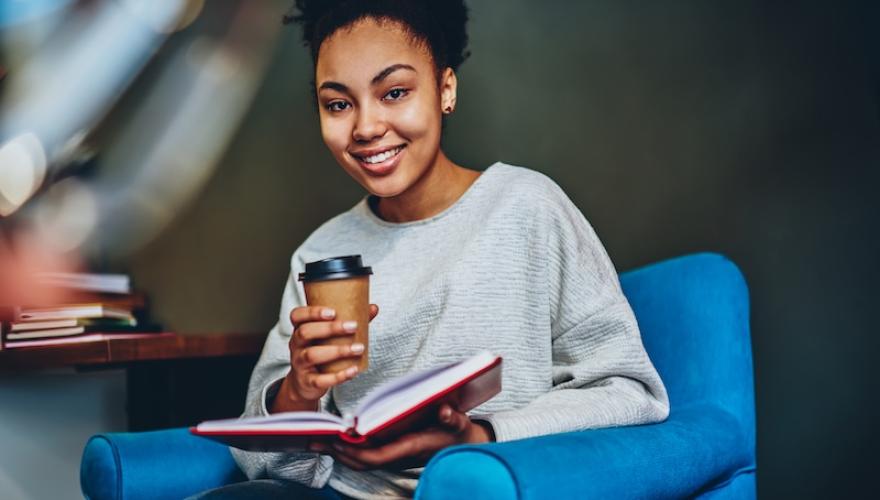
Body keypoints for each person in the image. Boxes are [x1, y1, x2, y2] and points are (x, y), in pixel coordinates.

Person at [191, 0, 669, 498]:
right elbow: (261, 461)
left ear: (445, 89)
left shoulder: (528, 208)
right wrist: (298, 391)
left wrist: (480, 438)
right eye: (338, 103)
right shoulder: (321, 254)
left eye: (394, 92)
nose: (366, 127)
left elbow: (630, 393)